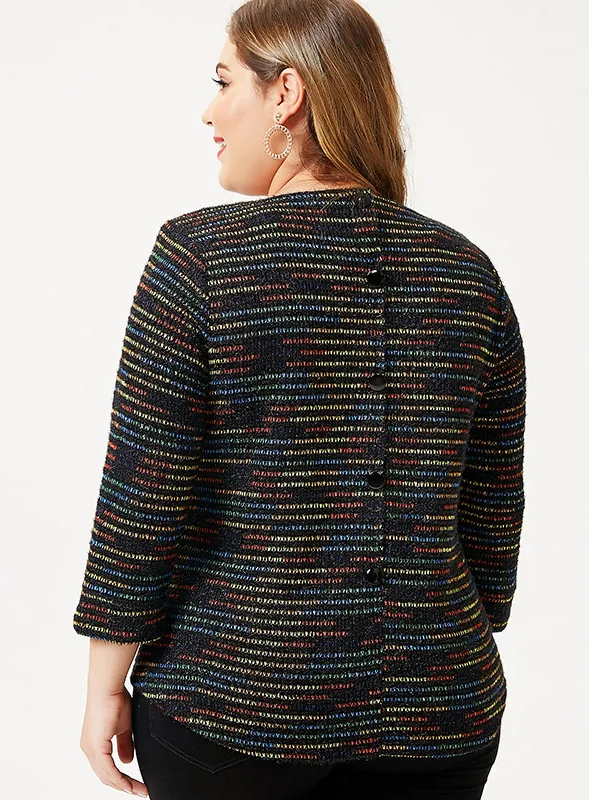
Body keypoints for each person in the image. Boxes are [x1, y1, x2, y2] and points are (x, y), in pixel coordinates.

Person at [73, 1, 526, 798]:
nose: (209, 111)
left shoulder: (200, 256)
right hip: (440, 704)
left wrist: (104, 684)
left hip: (236, 701)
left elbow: (143, 495)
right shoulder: (467, 272)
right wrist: (443, 634)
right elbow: (492, 508)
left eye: (224, 83)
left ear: (286, 94)